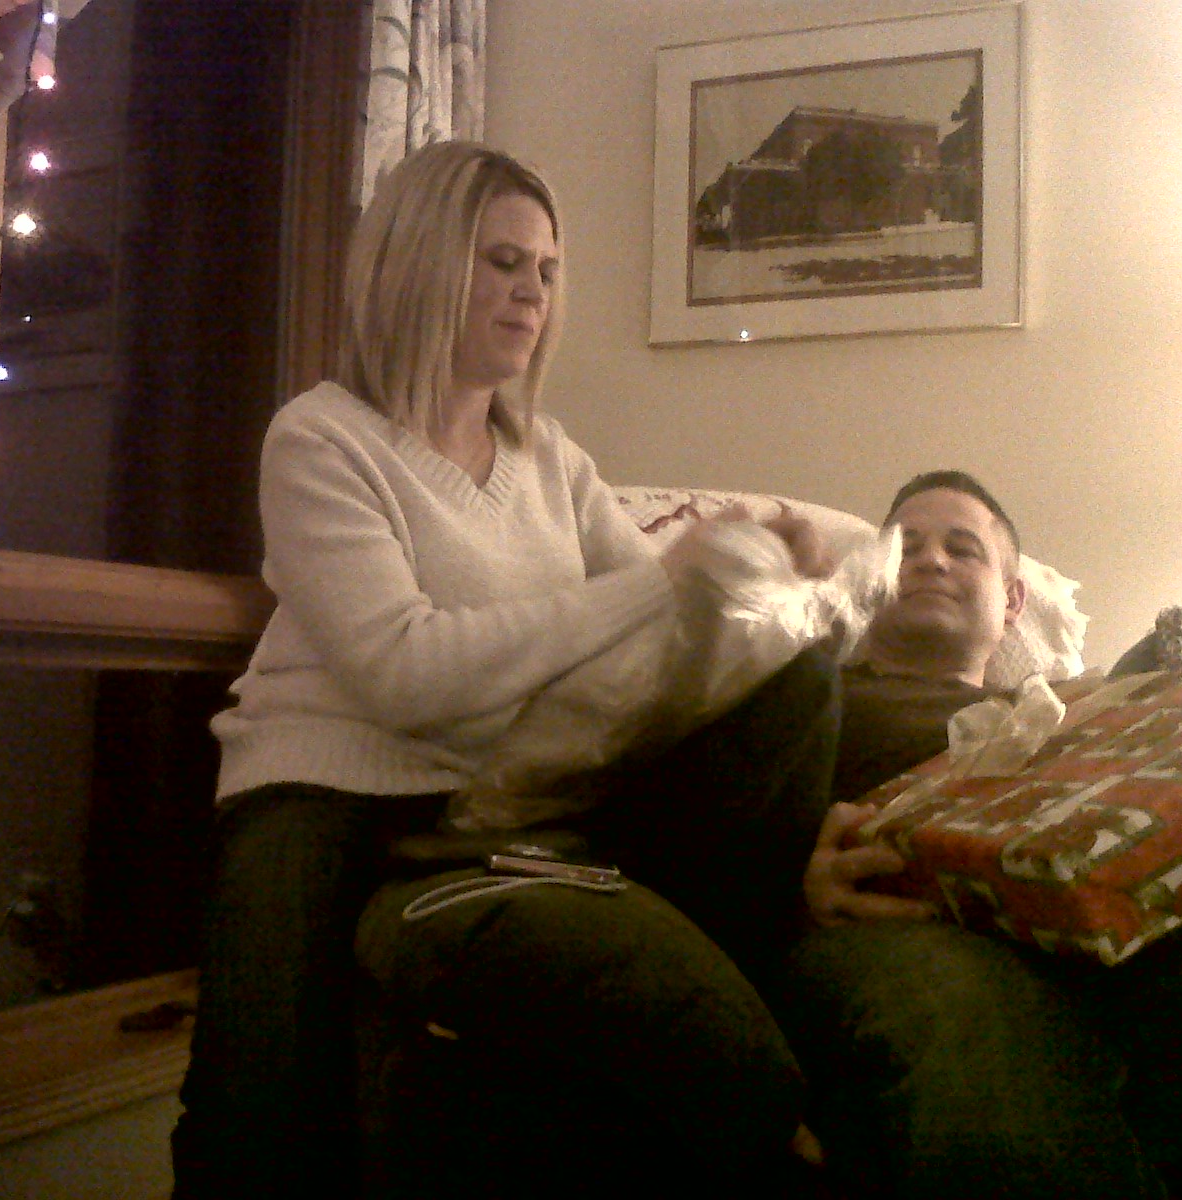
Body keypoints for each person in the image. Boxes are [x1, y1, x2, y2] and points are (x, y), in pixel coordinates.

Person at [170, 140, 838, 1198]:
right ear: (419, 263)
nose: (533, 292)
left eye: (547, 270)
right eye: (503, 262)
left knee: (801, 681)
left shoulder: (551, 459)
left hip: (499, 798)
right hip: (326, 792)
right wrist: (663, 582)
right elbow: (403, 672)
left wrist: (763, 581)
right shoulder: (321, 439)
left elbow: (652, 636)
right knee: (261, 1123)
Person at [772, 469, 1182, 1200]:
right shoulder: (811, 684)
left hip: (1103, 934)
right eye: (906, 546)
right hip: (898, 927)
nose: (930, 560)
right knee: (957, 1001)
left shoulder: (1079, 708)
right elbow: (709, 827)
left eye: (962, 548)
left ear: (1013, 601)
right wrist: (794, 894)